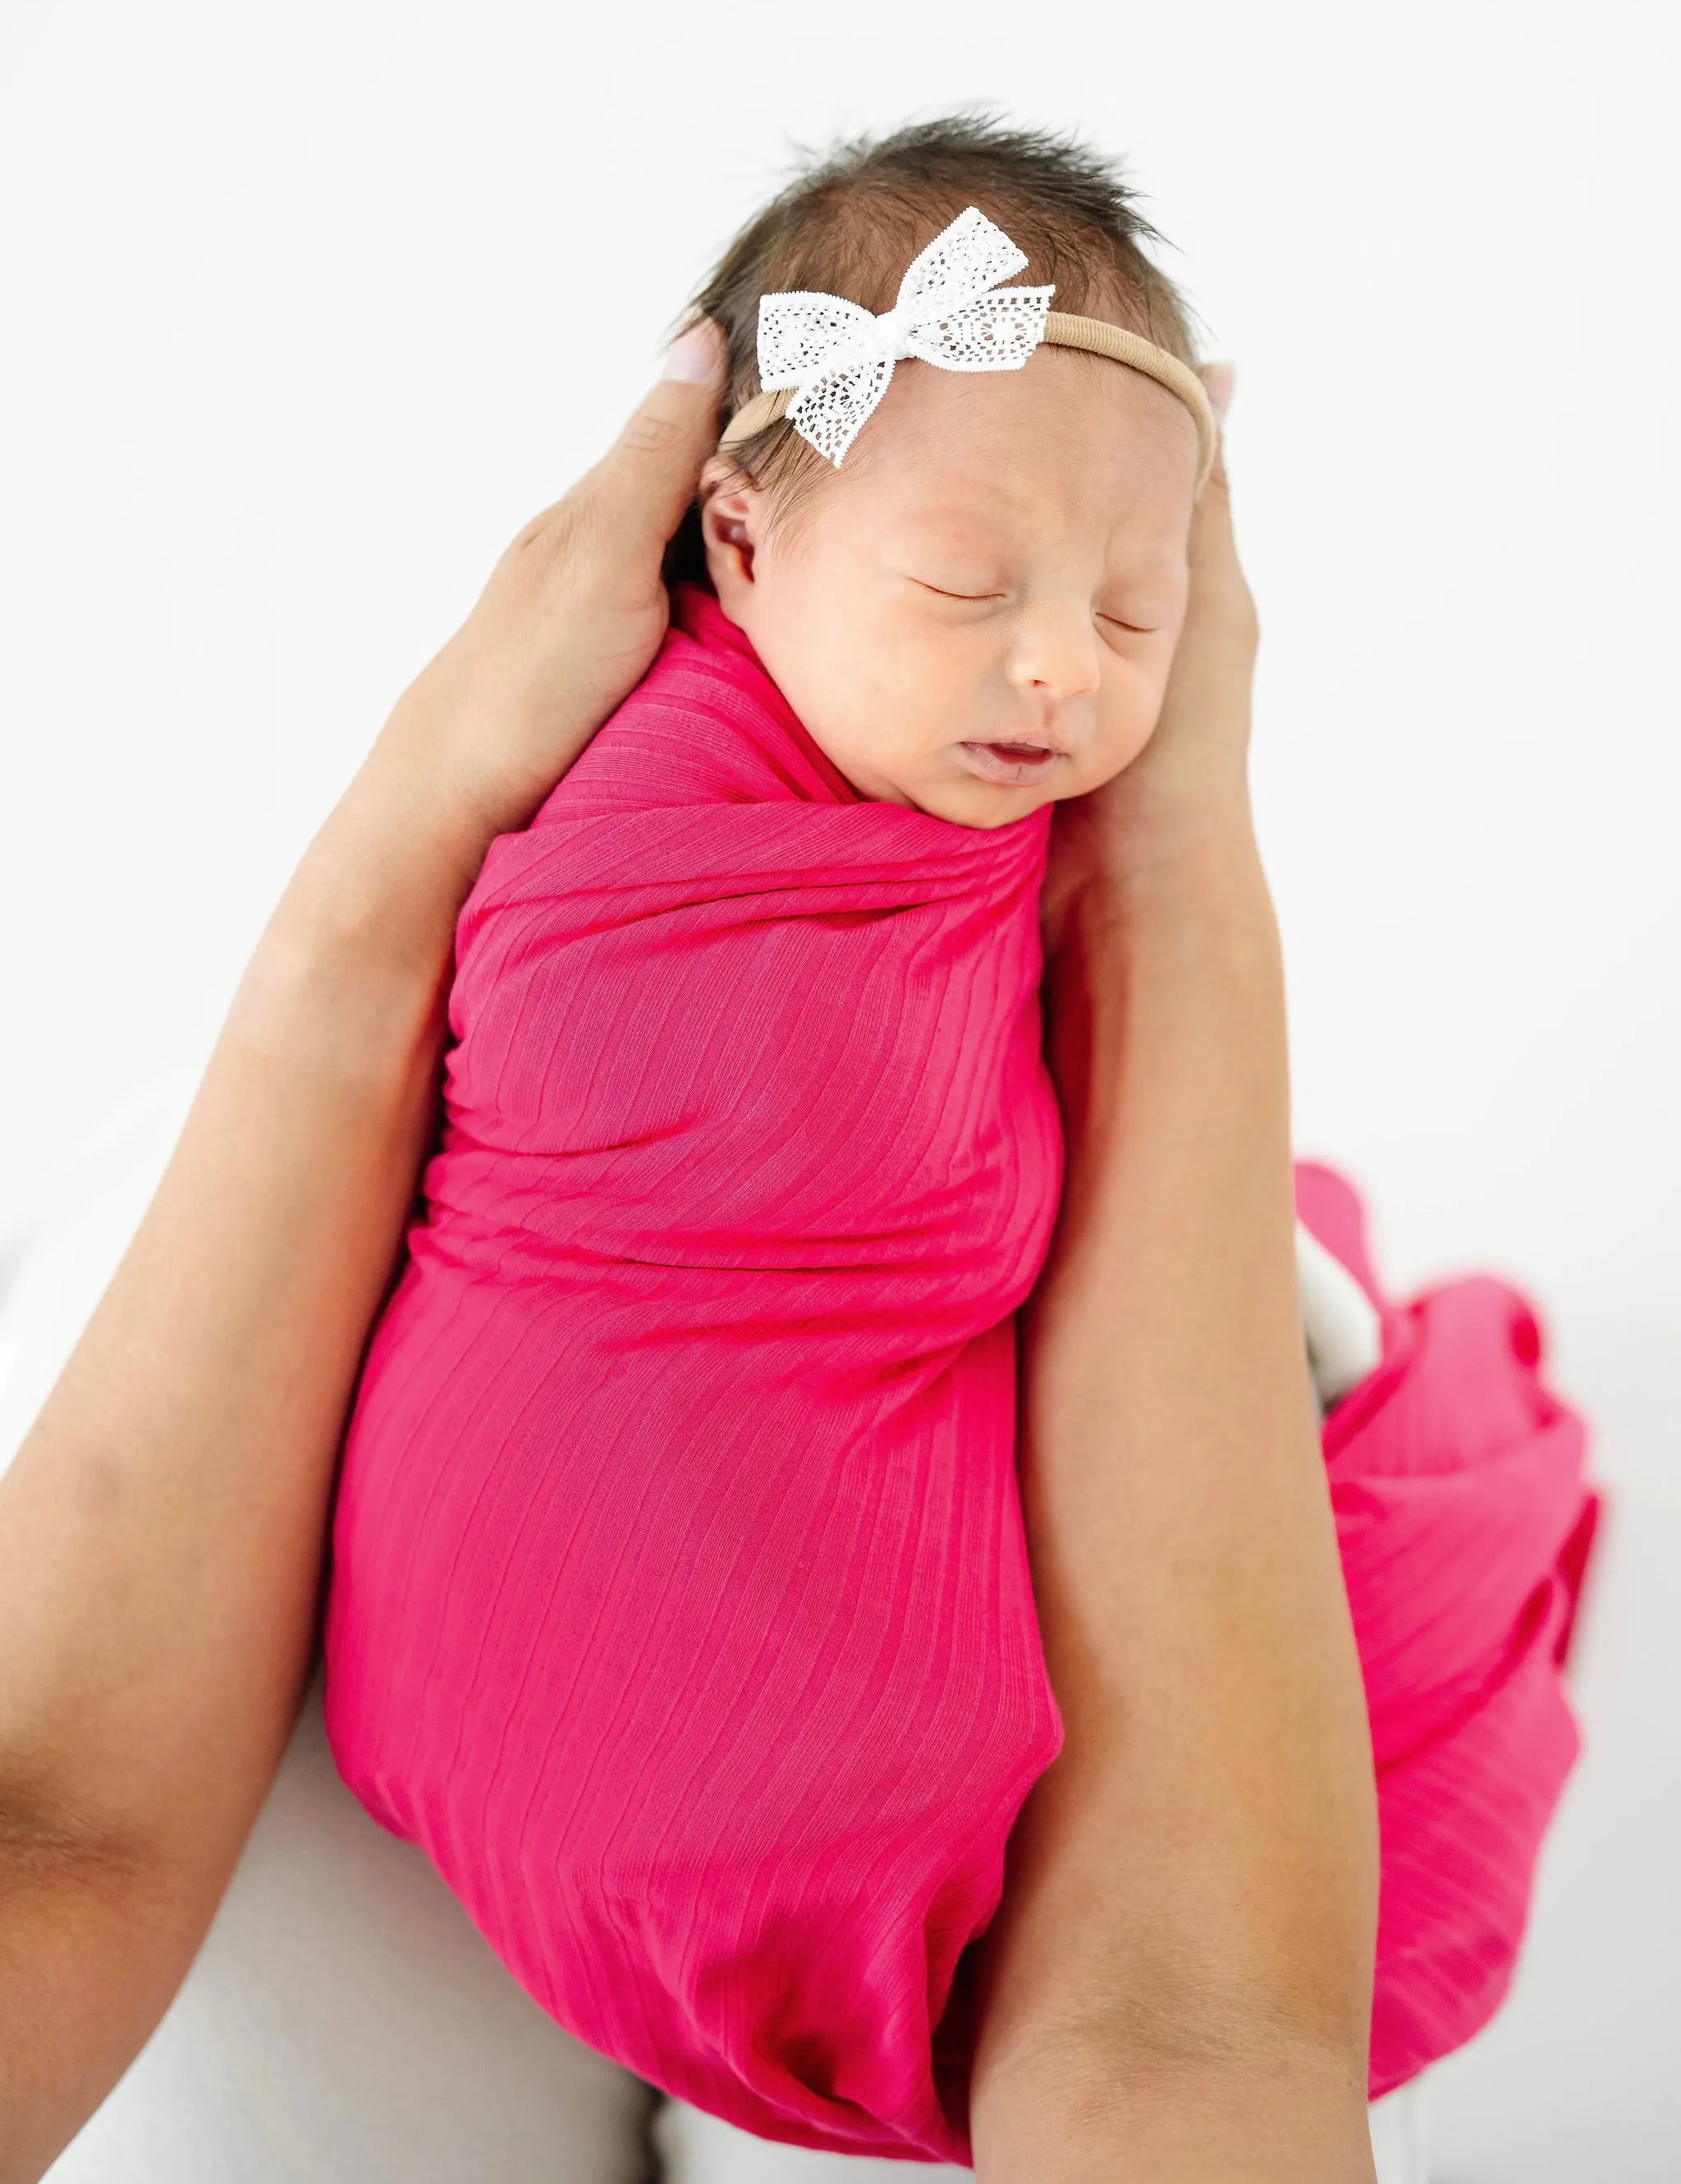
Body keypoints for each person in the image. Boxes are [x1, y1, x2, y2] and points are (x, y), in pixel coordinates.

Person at [0, 133, 1587, 2184]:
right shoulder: (632, 810)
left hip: (867, 1789)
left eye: (1134, 609)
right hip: (633, 1780)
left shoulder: (981, 861)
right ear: (731, 542)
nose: (1058, 667)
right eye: (967, 588)